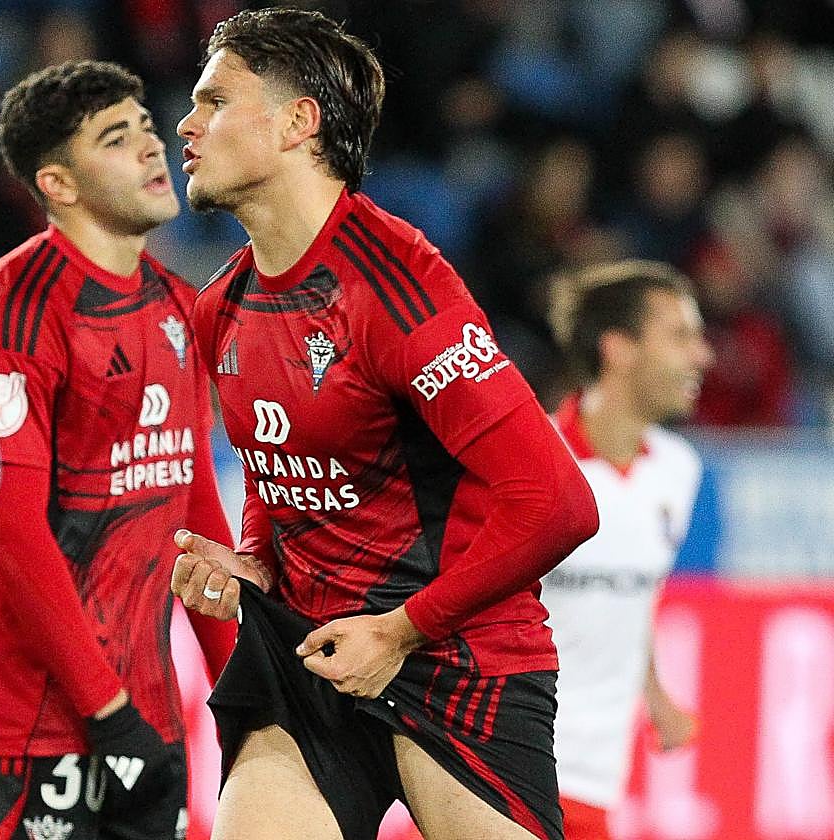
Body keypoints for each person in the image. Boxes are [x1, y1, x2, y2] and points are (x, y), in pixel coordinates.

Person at [170, 9, 599, 840]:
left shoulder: (399, 287)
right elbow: (275, 468)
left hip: (453, 658)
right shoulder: (222, 306)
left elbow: (559, 504)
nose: (186, 125)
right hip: (312, 661)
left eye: (214, 101)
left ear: (297, 123)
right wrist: (255, 561)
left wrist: (401, 632)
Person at [0, 60, 236, 840]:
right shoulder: (13, 312)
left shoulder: (178, 305)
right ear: (58, 185)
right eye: (114, 138)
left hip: (147, 718)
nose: (151, 147)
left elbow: (193, 513)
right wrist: (107, 712)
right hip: (31, 724)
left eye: (145, 127)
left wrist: (239, 687)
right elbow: (11, 533)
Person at [542, 260, 711, 840]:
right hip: (509, 773)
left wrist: (656, 696)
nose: (703, 356)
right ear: (618, 349)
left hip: (597, 782)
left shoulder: (677, 471)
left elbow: (634, 601)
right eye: (680, 336)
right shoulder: (536, 463)